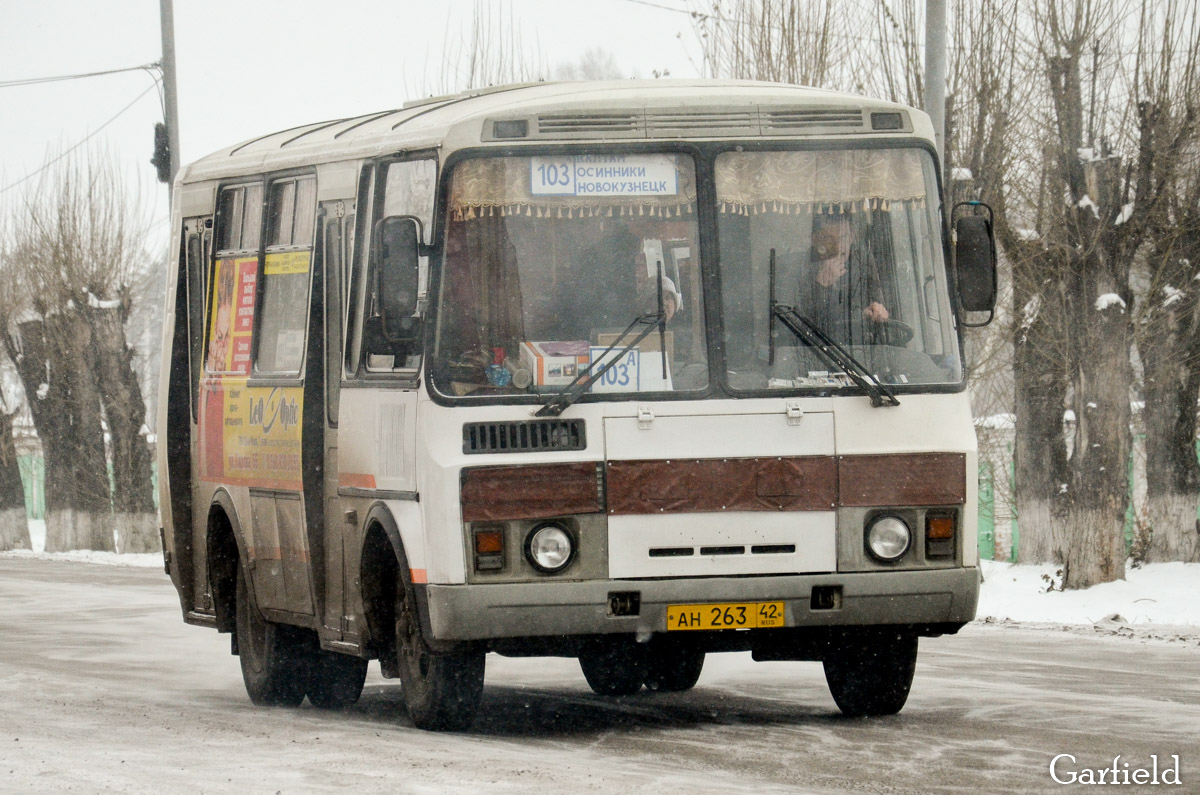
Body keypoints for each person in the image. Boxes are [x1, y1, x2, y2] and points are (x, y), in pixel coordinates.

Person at [797, 213, 890, 343]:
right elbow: (800, 323)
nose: (839, 247)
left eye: (844, 238)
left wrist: (877, 310)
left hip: (860, 349)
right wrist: (821, 284)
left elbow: (878, 301)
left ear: (852, 236)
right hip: (818, 350)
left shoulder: (862, 258)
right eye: (830, 240)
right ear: (816, 240)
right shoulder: (804, 265)